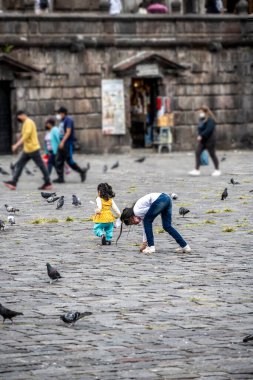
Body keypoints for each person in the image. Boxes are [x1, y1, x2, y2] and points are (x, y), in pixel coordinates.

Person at [118, 193, 191, 254]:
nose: (135, 223)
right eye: (133, 224)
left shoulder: (137, 211)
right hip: (167, 198)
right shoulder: (139, 212)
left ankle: (151, 247)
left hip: (161, 200)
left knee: (147, 221)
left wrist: (147, 244)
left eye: (132, 221)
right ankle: (185, 246)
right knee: (167, 226)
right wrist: (144, 243)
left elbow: (151, 212)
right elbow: (145, 228)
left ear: (130, 216)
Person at [3, 110, 52, 191]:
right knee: (20, 165)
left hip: (33, 148)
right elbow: (24, 135)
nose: (18, 119)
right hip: (28, 149)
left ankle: (48, 182)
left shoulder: (28, 122)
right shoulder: (26, 122)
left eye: (18, 117)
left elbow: (26, 136)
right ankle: (14, 182)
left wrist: (16, 145)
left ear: (22, 115)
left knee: (41, 165)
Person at [53, 107, 89, 184]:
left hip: (67, 143)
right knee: (58, 160)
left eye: (59, 113)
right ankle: (60, 178)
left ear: (63, 113)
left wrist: (62, 142)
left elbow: (68, 132)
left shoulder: (68, 120)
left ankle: (82, 172)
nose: (58, 115)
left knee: (69, 161)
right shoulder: (62, 121)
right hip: (62, 143)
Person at [189, 106, 220, 177]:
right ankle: (196, 170)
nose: (199, 113)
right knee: (198, 152)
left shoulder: (210, 120)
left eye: (201, 112)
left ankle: (217, 170)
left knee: (212, 154)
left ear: (205, 112)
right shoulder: (201, 119)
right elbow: (200, 129)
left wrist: (201, 135)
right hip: (203, 140)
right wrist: (199, 135)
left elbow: (209, 129)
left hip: (210, 140)